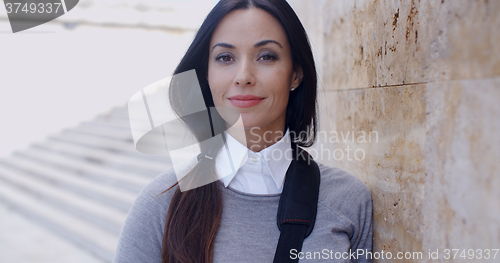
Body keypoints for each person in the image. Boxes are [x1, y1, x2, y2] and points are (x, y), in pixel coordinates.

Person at [113, 0, 373, 262]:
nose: (243, 76)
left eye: (266, 56)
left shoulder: (348, 201)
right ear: (206, 74)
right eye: (225, 58)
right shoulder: (160, 205)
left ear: (296, 73)